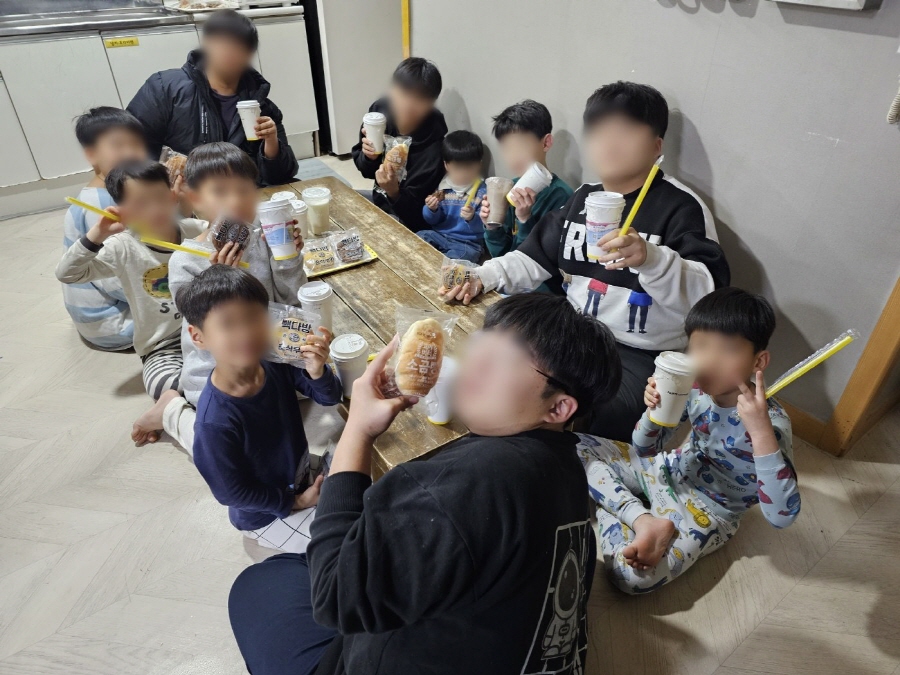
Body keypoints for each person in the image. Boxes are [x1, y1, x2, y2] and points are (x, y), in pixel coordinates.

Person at [228, 294, 621, 675]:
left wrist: (358, 429)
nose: (475, 361)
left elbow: (335, 593)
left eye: (506, 359)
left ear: (559, 406)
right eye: (482, 342)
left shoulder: (462, 485)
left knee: (257, 583)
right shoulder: (568, 464)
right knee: (291, 566)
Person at [441, 82, 730, 442]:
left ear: (656, 146)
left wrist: (651, 258)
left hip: (639, 353)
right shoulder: (583, 197)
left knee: (595, 415)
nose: (608, 143)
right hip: (574, 334)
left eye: (625, 131)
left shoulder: (682, 206)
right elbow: (532, 258)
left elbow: (708, 297)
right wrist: (480, 275)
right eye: (597, 131)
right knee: (502, 376)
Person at [578, 287, 800, 594]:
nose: (708, 360)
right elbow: (646, 448)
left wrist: (760, 432)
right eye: (699, 346)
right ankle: (640, 518)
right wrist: (655, 411)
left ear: (758, 361)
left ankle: (617, 505)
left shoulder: (772, 424)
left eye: (727, 350)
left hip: (708, 511)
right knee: (571, 446)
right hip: (666, 469)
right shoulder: (694, 390)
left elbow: (781, 517)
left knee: (631, 578)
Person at [131, 142, 307, 450]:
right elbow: (202, 328)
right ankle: (172, 412)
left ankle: (175, 394)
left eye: (244, 189)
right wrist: (222, 280)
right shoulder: (185, 260)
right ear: (195, 199)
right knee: (230, 442)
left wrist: (288, 257)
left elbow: (290, 301)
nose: (235, 200)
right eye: (221, 192)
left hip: (270, 350)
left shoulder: (262, 237)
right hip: (220, 365)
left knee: (321, 379)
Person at [181, 265, 341, 553]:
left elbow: (329, 398)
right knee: (341, 540)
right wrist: (295, 502)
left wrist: (317, 370)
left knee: (358, 483)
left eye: (254, 317)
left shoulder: (274, 364)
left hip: (298, 475)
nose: (246, 333)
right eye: (228, 324)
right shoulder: (215, 421)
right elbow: (230, 492)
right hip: (265, 513)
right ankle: (172, 410)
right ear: (199, 336)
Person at [56, 160, 205, 399]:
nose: (155, 210)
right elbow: (67, 273)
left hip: (207, 329)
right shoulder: (122, 247)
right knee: (164, 385)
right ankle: (183, 399)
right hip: (163, 346)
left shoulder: (196, 230)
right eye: (140, 204)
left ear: (172, 196)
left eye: (160, 198)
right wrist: (97, 234)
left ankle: (199, 393)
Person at [127, 9, 298, 186]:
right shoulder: (164, 88)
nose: (230, 52)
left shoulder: (262, 107)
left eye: (239, 46)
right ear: (206, 44)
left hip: (238, 194)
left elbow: (281, 176)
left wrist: (271, 142)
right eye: (222, 43)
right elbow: (129, 148)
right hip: (182, 194)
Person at [63, 107, 147, 350]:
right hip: (112, 323)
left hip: (99, 316)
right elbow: (112, 281)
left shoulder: (108, 193)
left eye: (136, 144)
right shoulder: (100, 207)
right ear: (92, 154)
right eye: (118, 146)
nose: (131, 153)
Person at [351, 57, 447, 232]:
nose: (408, 105)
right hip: (379, 201)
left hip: (408, 222)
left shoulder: (434, 149)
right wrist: (369, 157)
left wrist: (394, 191)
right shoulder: (379, 115)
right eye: (403, 94)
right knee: (342, 199)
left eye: (419, 99)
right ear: (392, 90)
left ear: (431, 103)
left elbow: (416, 214)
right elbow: (366, 171)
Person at [480, 100, 573, 265]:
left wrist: (524, 219)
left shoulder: (562, 196)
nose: (513, 156)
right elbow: (500, 256)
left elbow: (539, 264)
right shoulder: (510, 188)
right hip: (507, 273)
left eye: (521, 146)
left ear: (546, 143)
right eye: (506, 148)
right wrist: (492, 227)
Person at [419, 130, 487, 262]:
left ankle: (441, 267)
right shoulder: (443, 187)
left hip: (468, 243)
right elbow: (432, 221)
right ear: (446, 165)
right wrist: (431, 210)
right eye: (457, 168)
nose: (463, 174)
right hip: (440, 235)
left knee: (461, 259)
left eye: (469, 167)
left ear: (479, 164)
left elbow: (485, 228)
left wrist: (472, 218)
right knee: (420, 237)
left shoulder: (482, 192)